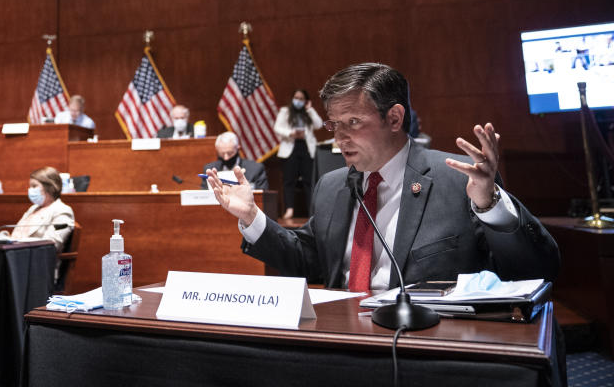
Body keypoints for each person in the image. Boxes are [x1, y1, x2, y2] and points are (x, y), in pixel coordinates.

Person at [207, 63, 560, 293]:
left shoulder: (457, 178)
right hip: (341, 341)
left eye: (354, 123)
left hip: (427, 348)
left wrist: (490, 204)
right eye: (334, 125)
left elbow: (535, 271)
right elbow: (307, 261)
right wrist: (252, 219)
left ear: (394, 118)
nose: (339, 137)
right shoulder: (332, 186)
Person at [274, 89, 323, 219]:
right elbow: (277, 127)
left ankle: (311, 211)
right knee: (289, 181)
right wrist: (291, 133)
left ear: (305, 101)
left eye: (301, 99)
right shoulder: (285, 112)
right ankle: (289, 210)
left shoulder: (308, 113)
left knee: (309, 182)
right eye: (296, 98)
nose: (298, 101)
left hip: (307, 149)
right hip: (290, 149)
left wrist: (310, 109)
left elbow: (319, 125)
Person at [7, 166, 75, 253]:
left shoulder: (62, 211)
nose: (30, 190)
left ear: (50, 187)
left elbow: (51, 245)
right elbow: (16, 234)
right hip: (16, 256)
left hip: (38, 262)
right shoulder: (33, 209)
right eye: (30, 186)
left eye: (34, 186)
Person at [202, 131, 268, 190]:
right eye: (222, 154)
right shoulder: (209, 169)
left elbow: (262, 197)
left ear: (238, 148)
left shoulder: (255, 169)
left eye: (230, 153)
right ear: (217, 150)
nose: (226, 158)